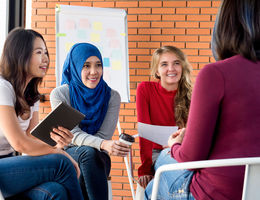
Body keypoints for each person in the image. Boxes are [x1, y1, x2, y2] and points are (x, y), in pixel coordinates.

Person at [145, 0, 260, 199]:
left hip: (218, 191)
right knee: (164, 158)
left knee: (154, 182)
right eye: (164, 65)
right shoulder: (149, 90)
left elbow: (192, 156)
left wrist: (175, 145)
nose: (170, 69)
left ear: (225, 23)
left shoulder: (215, 74)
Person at [0, 28, 84, 200]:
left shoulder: (31, 95)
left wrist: (59, 144)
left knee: (55, 191)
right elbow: (19, 143)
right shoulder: (2, 87)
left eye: (46, 52)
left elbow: (32, 139)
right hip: (3, 169)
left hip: (8, 165)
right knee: (61, 163)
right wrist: (59, 153)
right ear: (20, 54)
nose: (45, 58)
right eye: (39, 52)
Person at [50, 42, 131, 200]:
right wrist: (103, 144)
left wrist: (103, 144)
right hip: (67, 153)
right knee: (88, 154)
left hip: (98, 157)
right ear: (75, 66)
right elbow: (71, 134)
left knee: (91, 155)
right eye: (86, 66)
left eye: (98, 65)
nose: (94, 72)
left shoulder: (112, 97)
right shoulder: (60, 94)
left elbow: (103, 135)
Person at [136, 46, 192, 188]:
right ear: (156, 71)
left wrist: (178, 143)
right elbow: (145, 133)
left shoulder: (193, 94)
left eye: (176, 63)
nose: (171, 68)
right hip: (158, 153)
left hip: (183, 150)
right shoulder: (145, 89)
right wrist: (145, 168)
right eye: (164, 64)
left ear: (182, 67)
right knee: (182, 172)